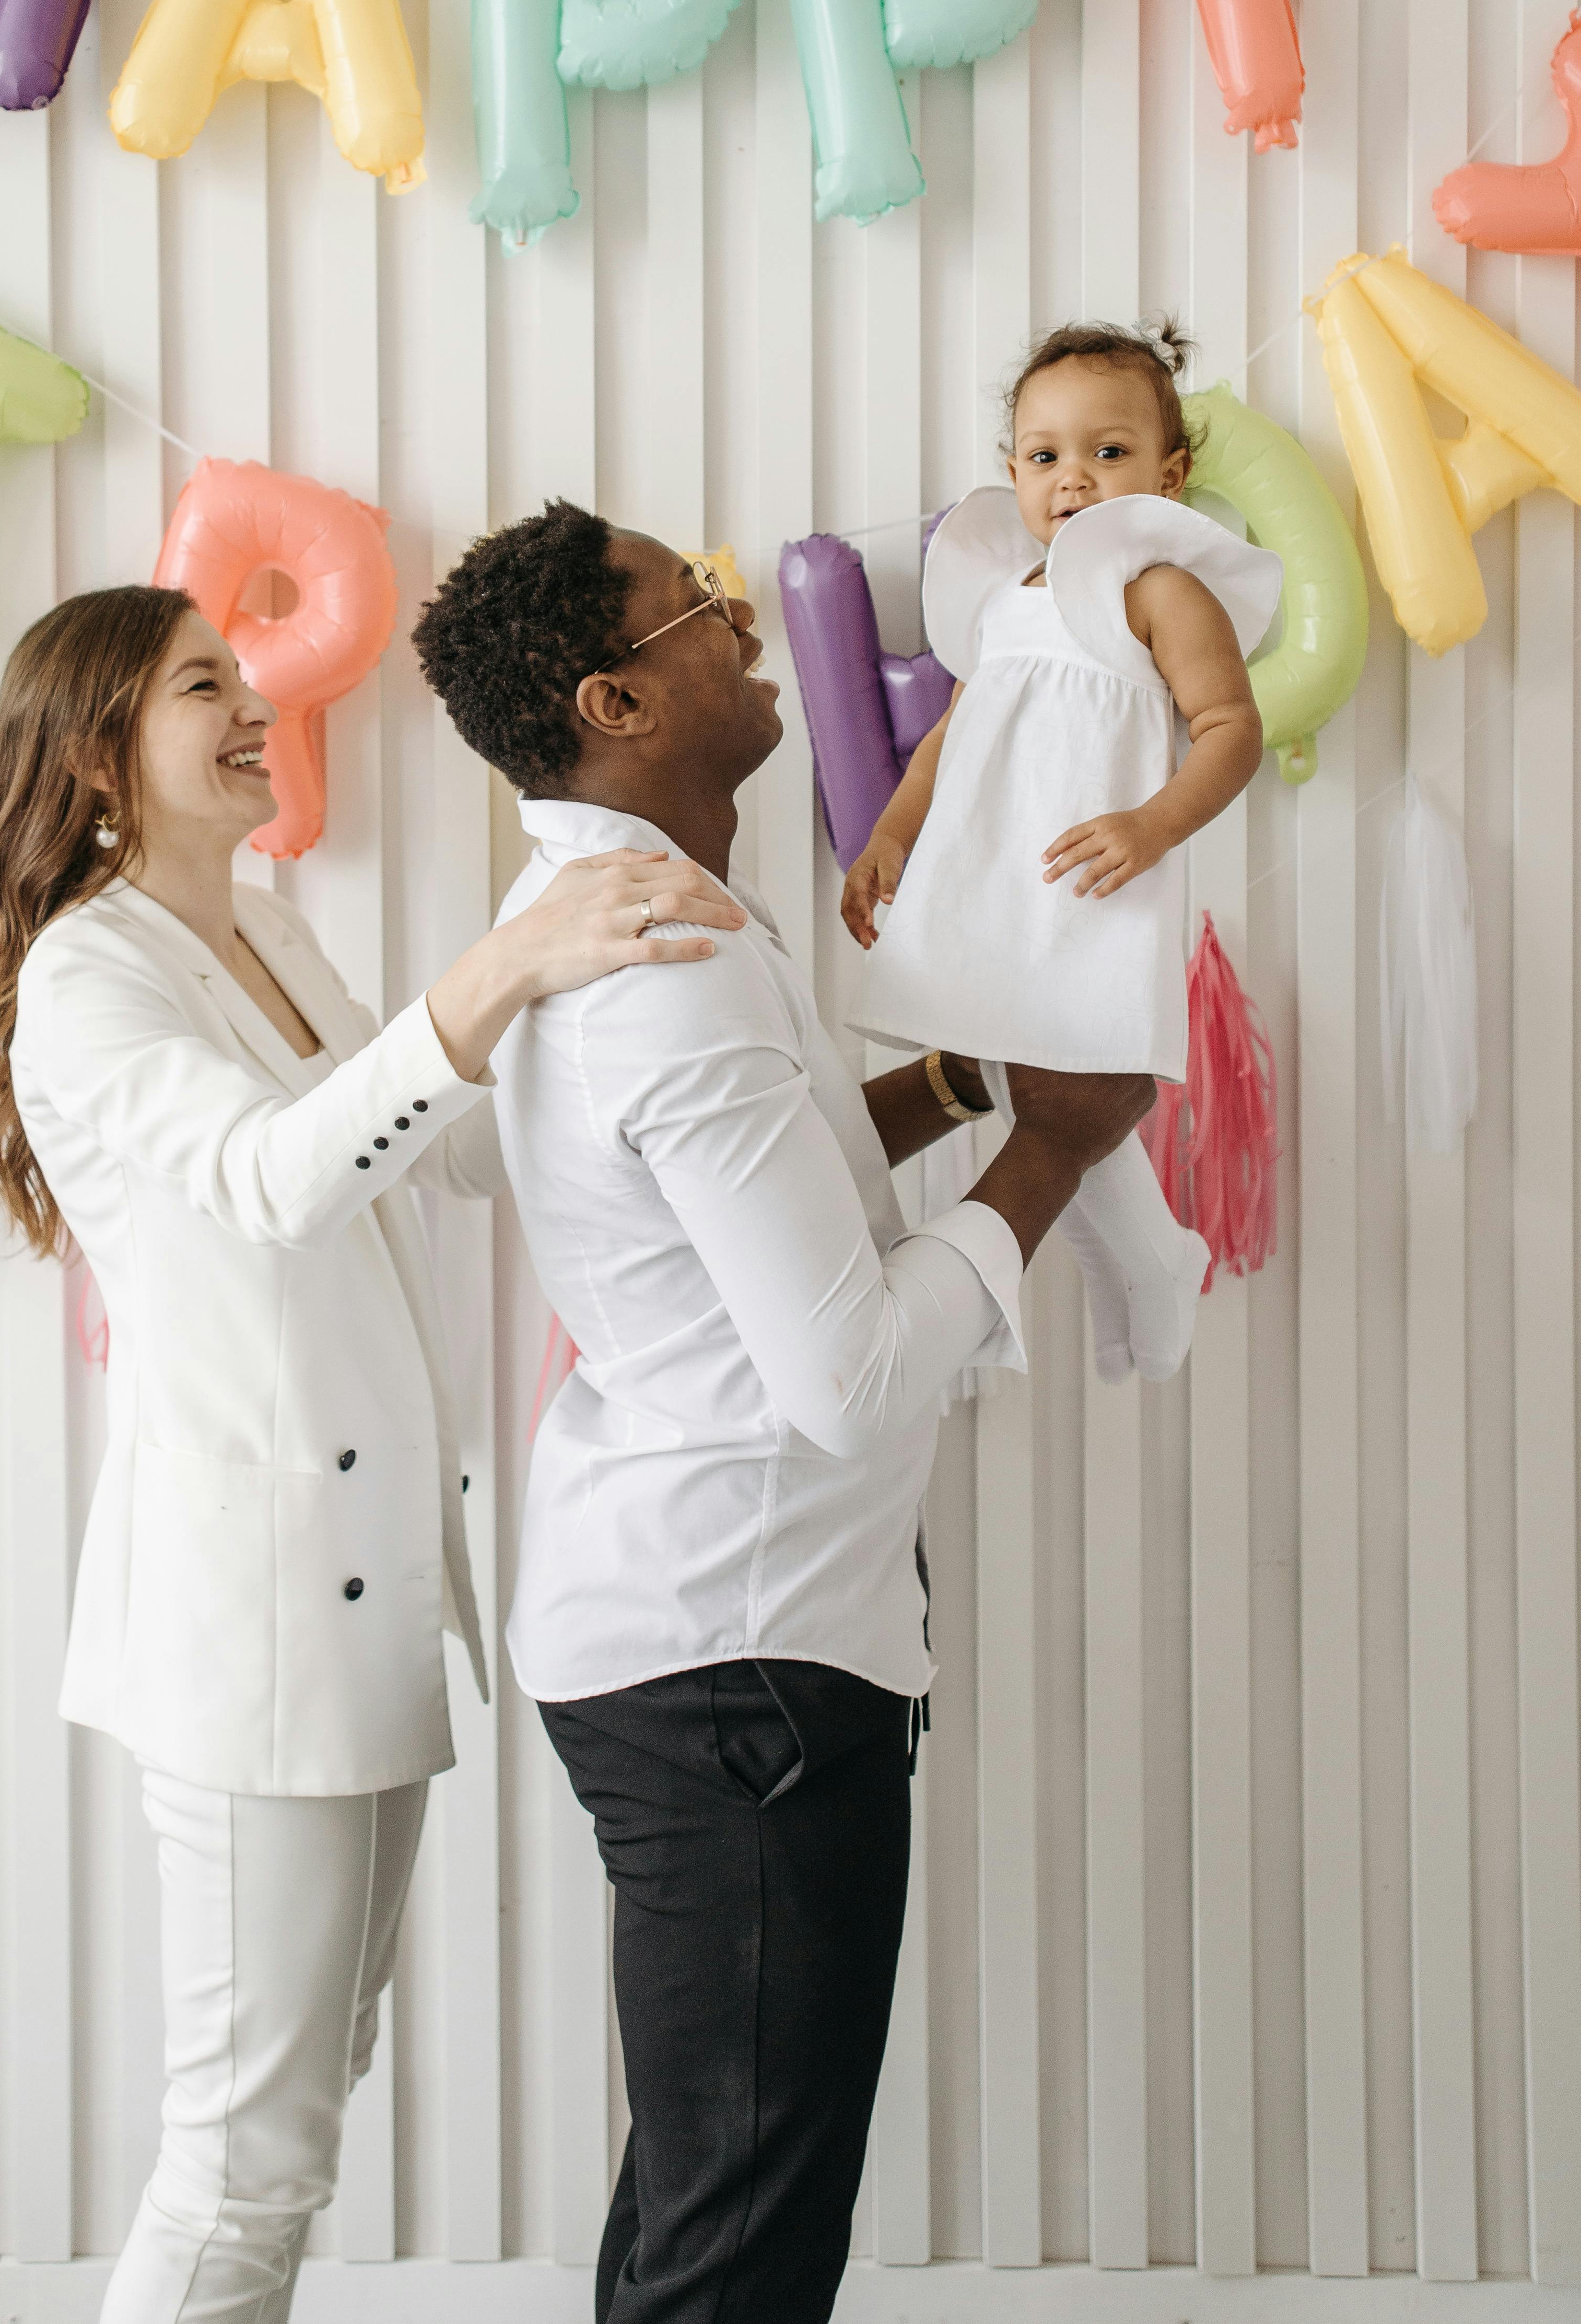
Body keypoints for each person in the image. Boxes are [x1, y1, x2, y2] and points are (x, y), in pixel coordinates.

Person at [0, 580, 743, 2324]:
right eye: (200, 687)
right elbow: (275, 1175)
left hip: (367, 1611)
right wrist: (506, 965)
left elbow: (436, 1154)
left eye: (244, 677)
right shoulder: (87, 975)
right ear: (97, 747)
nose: (252, 708)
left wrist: (583, 1003)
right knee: (245, 2159)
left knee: (296, 2119)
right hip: (251, 1639)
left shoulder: (269, 929)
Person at [413, 503, 1151, 2323]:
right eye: (702, 613)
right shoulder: (664, 972)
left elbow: (754, 1211)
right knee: (738, 2252)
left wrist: (960, 1083)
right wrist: (1046, 1161)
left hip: (706, 1645)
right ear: (617, 698)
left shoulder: (648, 926)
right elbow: (847, 1380)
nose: (745, 630)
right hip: (737, 1672)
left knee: (697, 2213)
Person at [848, 321, 1277, 1382]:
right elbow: (948, 739)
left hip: (1093, 877)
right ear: (1011, 474)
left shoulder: (1159, 590)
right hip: (993, 877)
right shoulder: (1003, 600)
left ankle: (1134, 1263)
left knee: (1065, 1081)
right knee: (1024, 1068)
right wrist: (891, 835)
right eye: (1044, 457)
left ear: (1168, 475)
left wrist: (1152, 823)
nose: (1072, 478)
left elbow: (1230, 727)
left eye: (1108, 452)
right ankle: (1148, 1257)